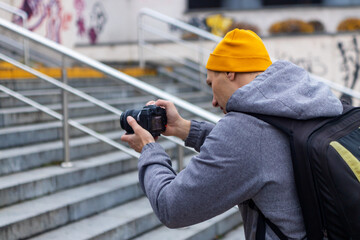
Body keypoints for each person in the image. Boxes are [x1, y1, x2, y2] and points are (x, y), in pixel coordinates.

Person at [121, 29, 343, 239]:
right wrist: (183, 128)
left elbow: (171, 206)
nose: (214, 100)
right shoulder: (305, 103)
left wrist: (149, 149)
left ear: (229, 72)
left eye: (211, 83)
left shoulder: (246, 131)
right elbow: (262, 150)